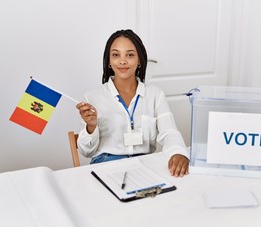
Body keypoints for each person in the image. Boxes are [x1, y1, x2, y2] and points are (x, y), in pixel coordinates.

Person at [76, 29, 189, 177]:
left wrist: (178, 152)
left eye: (130, 55)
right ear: (109, 61)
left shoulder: (156, 94)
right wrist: (91, 126)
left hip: (145, 164)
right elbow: (86, 152)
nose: (122, 61)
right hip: (107, 165)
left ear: (139, 60)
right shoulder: (92, 97)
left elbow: (169, 132)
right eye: (116, 55)